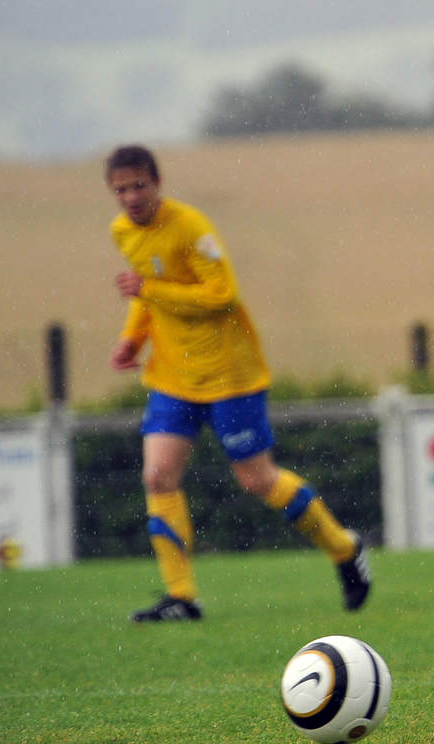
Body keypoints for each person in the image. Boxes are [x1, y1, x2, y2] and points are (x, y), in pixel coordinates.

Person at [104, 144, 370, 622]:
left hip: (229, 374)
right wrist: (132, 337)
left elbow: (221, 295)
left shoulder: (190, 228)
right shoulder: (123, 232)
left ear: (157, 182)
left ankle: (344, 550)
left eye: (138, 185)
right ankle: (182, 597)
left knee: (257, 480)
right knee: (157, 475)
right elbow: (145, 294)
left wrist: (150, 291)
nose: (131, 196)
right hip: (173, 376)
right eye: (121, 188)